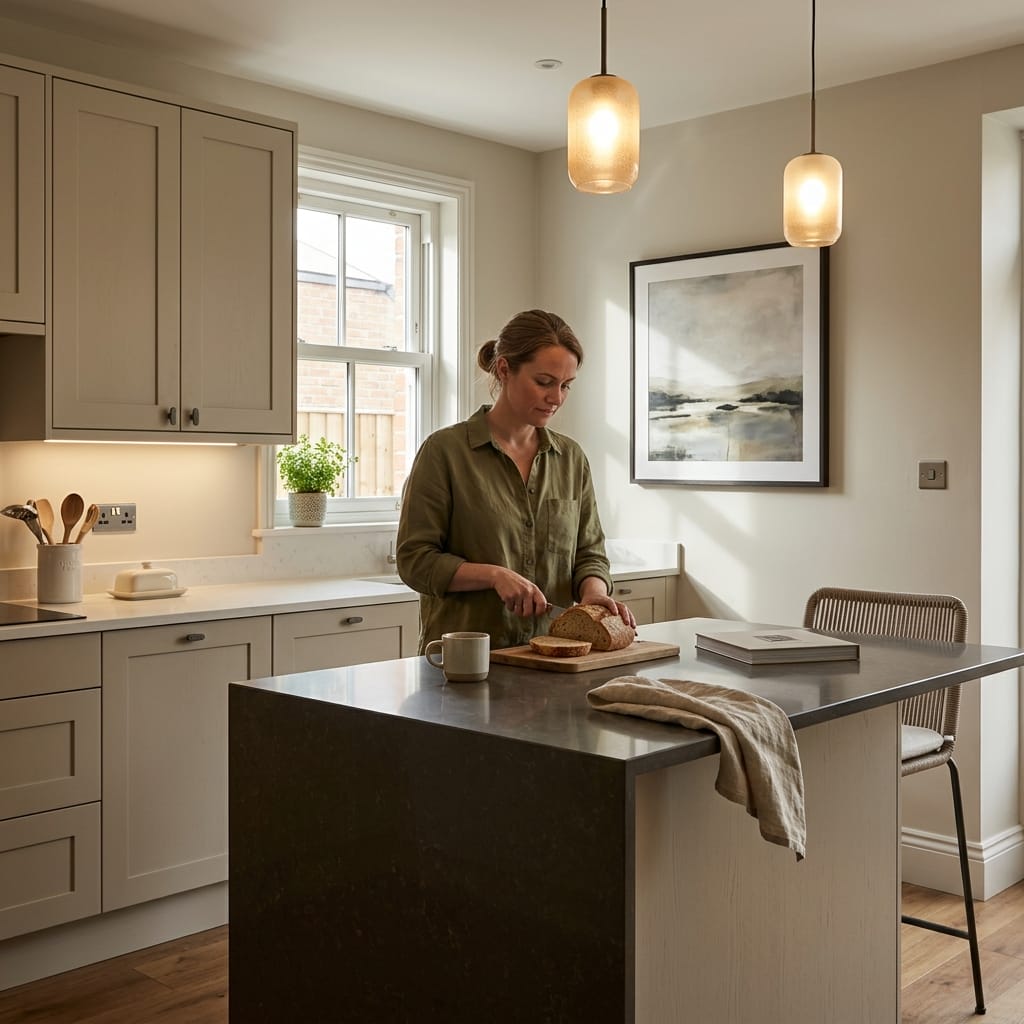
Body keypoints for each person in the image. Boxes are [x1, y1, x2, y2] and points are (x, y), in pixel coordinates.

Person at [396, 309, 636, 652]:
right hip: (463, 662)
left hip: (554, 658)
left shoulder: (571, 459)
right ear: (505, 369)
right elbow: (414, 561)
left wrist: (594, 594)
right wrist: (494, 575)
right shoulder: (445, 452)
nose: (556, 398)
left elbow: (589, 553)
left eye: (566, 385)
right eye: (544, 382)